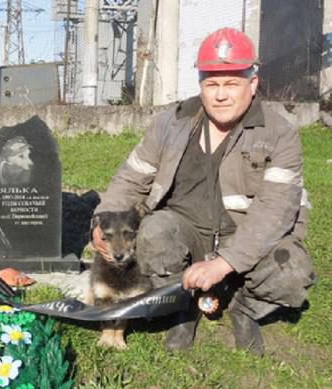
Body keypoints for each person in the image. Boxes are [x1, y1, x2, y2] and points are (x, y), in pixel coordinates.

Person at [91, 28, 315, 355]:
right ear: (201, 85)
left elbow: (275, 212)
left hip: (244, 236)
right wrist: (101, 221)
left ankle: (244, 306)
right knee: (153, 234)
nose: (220, 95)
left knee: (291, 270)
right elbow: (131, 178)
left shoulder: (280, 132)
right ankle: (183, 305)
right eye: (212, 84)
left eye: (231, 83)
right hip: (185, 232)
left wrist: (224, 263)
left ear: (252, 84)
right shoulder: (171, 122)